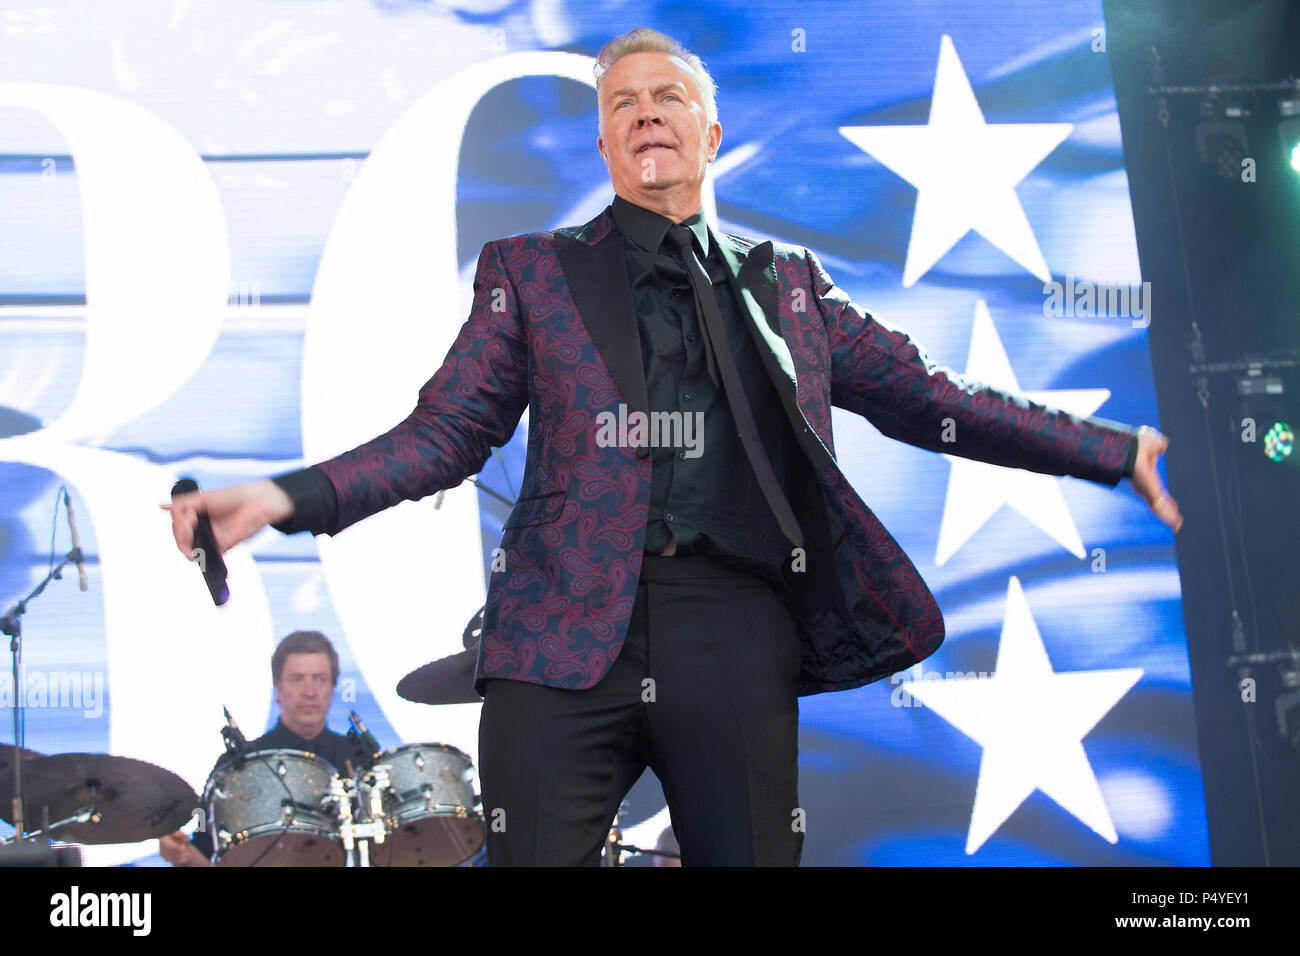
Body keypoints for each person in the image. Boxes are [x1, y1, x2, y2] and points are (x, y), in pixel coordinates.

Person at [162, 28, 1183, 866]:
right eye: (622, 102)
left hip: (734, 627)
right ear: (605, 147)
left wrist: (1108, 450)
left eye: (668, 97)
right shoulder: (531, 272)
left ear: (710, 131)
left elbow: (930, 399)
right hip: (559, 634)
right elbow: (446, 431)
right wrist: (287, 495)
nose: (645, 110)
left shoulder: (789, 283)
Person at [158, 631, 355, 866]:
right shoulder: (237, 766)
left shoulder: (359, 761)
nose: (309, 692)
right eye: (297, 679)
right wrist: (181, 852)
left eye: (320, 679)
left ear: (333, 688)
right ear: (277, 688)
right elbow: (203, 843)